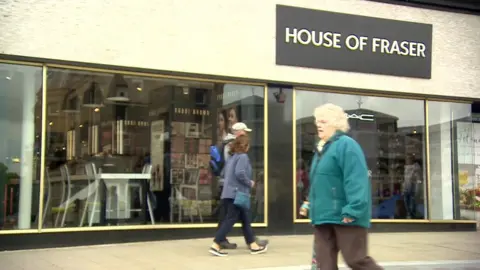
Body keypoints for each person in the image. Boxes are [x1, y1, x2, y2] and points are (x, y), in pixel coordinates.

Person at [303, 103, 382, 270]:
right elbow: (319, 182)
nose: (318, 125)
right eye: (317, 121)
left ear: (336, 123)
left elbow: (356, 179)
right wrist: (308, 203)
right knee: (322, 266)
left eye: (323, 121)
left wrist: (354, 209)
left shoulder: (346, 145)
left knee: (356, 260)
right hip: (323, 216)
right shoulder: (322, 150)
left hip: (346, 215)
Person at [209, 135, 268, 256]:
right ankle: (215, 244)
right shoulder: (243, 157)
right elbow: (240, 173)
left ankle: (253, 245)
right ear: (246, 146)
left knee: (245, 220)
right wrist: (249, 182)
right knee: (230, 219)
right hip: (237, 194)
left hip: (229, 193)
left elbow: (224, 174)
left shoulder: (232, 158)